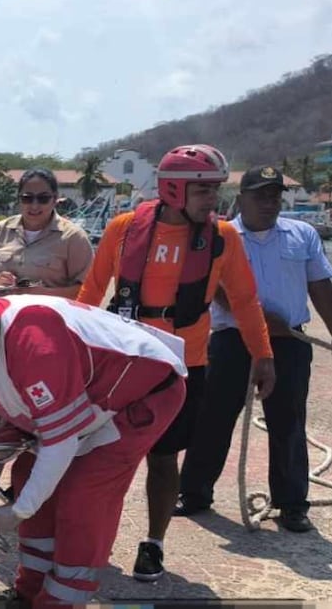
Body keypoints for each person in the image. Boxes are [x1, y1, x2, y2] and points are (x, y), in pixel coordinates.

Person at [0, 279, 187, 607]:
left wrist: (20, 510)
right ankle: (29, 591)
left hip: (144, 393)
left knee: (83, 494)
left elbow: (60, 441)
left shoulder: (33, 344)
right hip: (97, 391)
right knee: (28, 471)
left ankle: (62, 600)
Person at [76, 144, 275, 582]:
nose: (213, 199)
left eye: (216, 190)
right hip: (125, 360)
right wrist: (74, 351)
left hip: (183, 365)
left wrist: (263, 354)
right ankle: (89, 538)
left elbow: (244, 300)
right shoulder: (123, 230)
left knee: (164, 459)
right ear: (172, 190)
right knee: (104, 454)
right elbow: (90, 295)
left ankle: (154, 544)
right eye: (203, 190)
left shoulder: (224, 238)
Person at [178, 165, 332, 532]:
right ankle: (195, 492)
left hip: (289, 341)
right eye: (260, 195)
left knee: (288, 420)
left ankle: (292, 503)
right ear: (241, 198)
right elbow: (213, 287)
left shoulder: (303, 235)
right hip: (233, 340)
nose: (269, 202)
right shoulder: (221, 236)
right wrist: (258, 320)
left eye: (274, 195)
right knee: (214, 416)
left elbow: (322, 287)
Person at [0, 169, 94, 298]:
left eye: (43, 198)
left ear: (55, 199)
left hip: (50, 316)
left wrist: (43, 294)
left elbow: (88, 290)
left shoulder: (73, 237)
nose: (34, 206)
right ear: (19, 199)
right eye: (27, 198)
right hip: (1, 315)